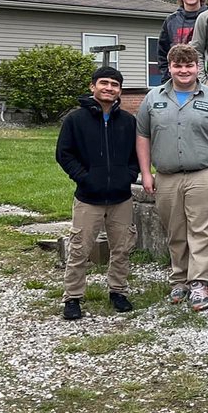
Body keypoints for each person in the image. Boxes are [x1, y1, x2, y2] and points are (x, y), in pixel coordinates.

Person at [136, 44, 208, 312]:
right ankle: (179, 279)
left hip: (204, 174)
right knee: (175, 231)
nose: (184, 70)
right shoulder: (153, 98)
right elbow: (143, 136)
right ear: (169, 68)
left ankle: (200, 282)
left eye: (189, 65)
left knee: (202, 231)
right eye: (178, 66)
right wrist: (146, 173)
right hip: (167, 176)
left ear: (197, 67)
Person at [56, 67, 140, 320]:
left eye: (114, 85)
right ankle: (73, 297)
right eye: (104, 83)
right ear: (93, 86)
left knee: (122, 247)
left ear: (119, 91)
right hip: (88, 198)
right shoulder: (75, 119)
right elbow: (64, 154)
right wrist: (84, 178)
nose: (109, 88)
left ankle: (118, 291)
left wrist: (129, 176)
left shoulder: (128, 121)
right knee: (80, 249)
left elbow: (136, 156)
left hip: (120, 198)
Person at [157, 0, 205, 79]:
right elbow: (162, 52)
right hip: (176, 79)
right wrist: (167, 77)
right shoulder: (171, 21)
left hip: (202, 79)